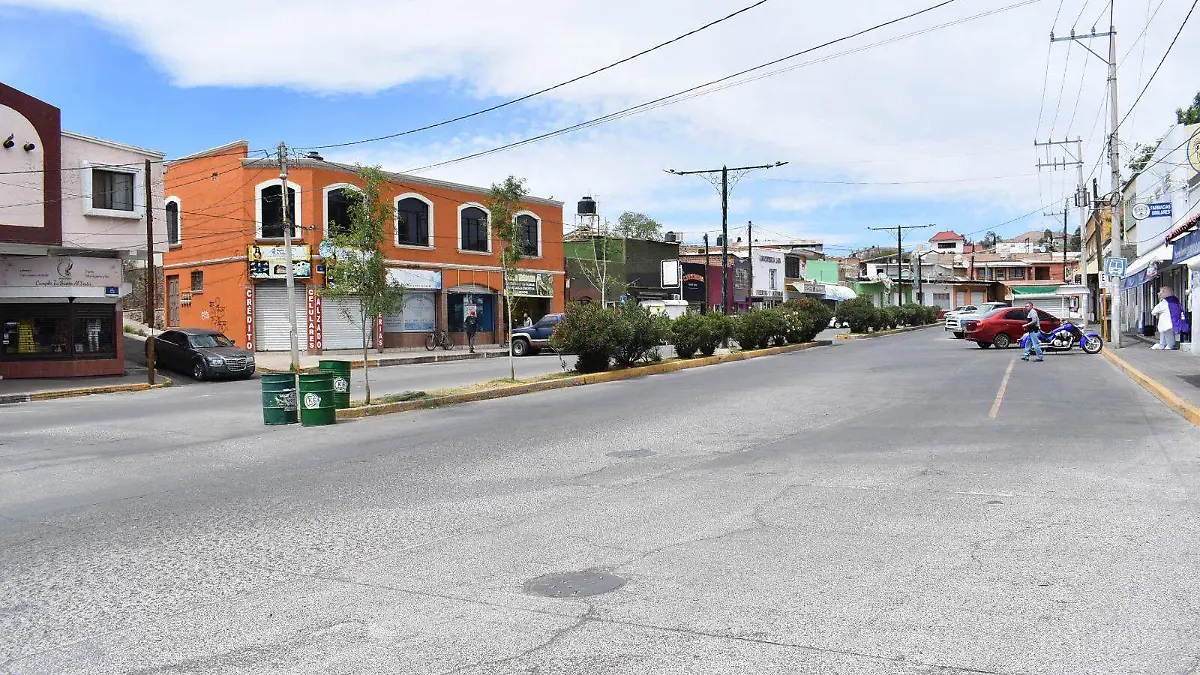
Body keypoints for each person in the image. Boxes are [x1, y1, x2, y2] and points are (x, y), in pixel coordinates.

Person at [1150, 286, 1190, 350]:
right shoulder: (1175, 301)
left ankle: (1169, 345)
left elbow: (1154, 311)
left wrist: (1159, 300)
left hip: (1167, 323)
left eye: (1160, 292)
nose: (1159, 293)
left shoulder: (1165, 302)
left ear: (1165, 292)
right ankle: (1162, 344)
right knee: (1164, 333)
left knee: (1168, 334)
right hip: (1172, 321)